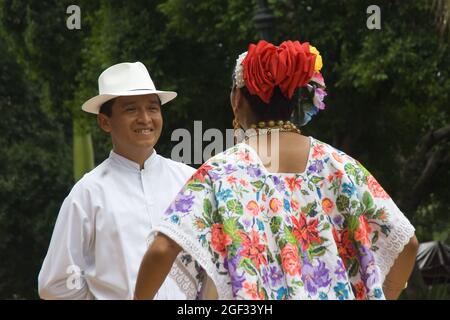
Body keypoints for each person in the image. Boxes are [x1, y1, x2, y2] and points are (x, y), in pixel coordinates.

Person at [134, 40, 419, 300]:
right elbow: (407, 243)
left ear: (237, 99)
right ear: (295, 99)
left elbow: (163, 249)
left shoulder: (221, 173)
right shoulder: (341, 167)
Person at [38, 62, 195, 299]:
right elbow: (56, 283)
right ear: (105, 122)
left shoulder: (189, 181)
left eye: (152, 108)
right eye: (131, 110)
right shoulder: (88, 193)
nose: (145, 119)